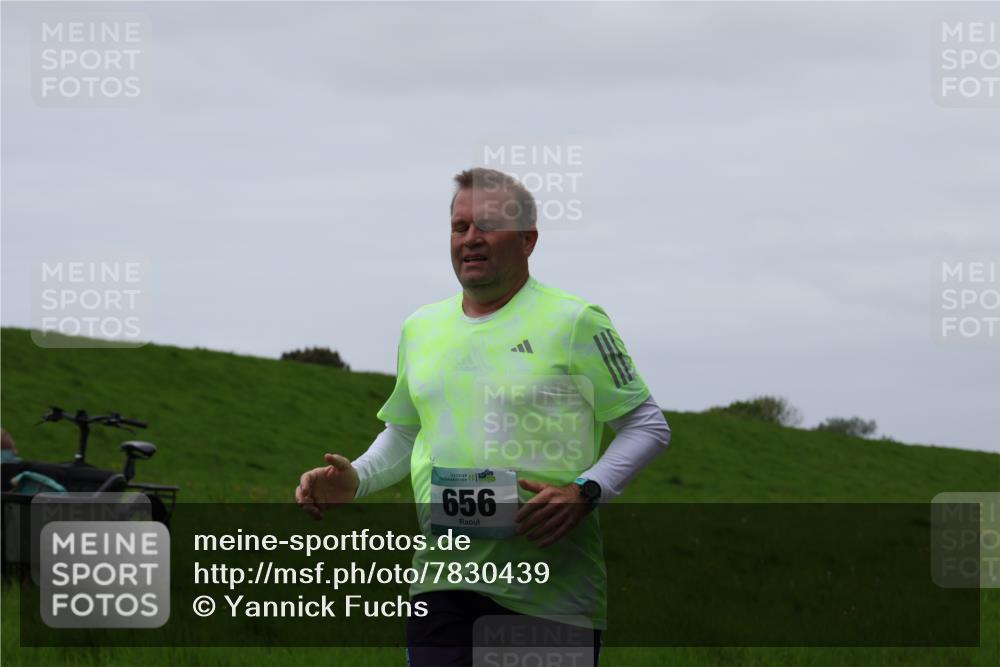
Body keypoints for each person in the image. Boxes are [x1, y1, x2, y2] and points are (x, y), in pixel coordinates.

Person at [296, 168, 672, 666]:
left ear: (528, 240)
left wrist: (585, 491)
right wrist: (357, 479)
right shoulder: (421, 328)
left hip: (548, 593)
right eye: (460, 227)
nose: (470, 239)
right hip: (442, 585)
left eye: (488, 225)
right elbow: (407, 432)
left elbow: (647, 425)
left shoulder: (576, 320)